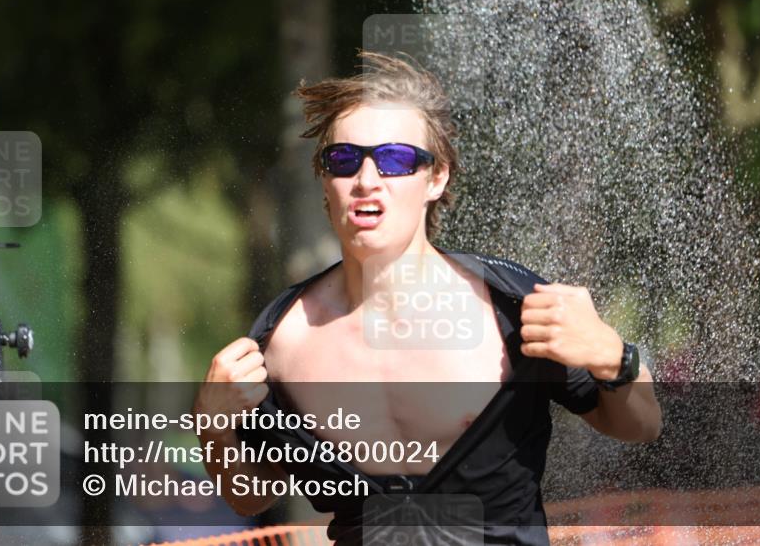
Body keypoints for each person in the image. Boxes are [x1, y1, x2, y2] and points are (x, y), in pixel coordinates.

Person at [195, 51, 662, 545]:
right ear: (325, 181)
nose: (366, 180)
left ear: (436, 178)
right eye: (344, 160)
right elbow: (252, 496)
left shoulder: (512, 307)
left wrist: (614, 357)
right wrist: (213, 427)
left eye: (395, 159)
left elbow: (642, 425)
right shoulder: (281, 340)